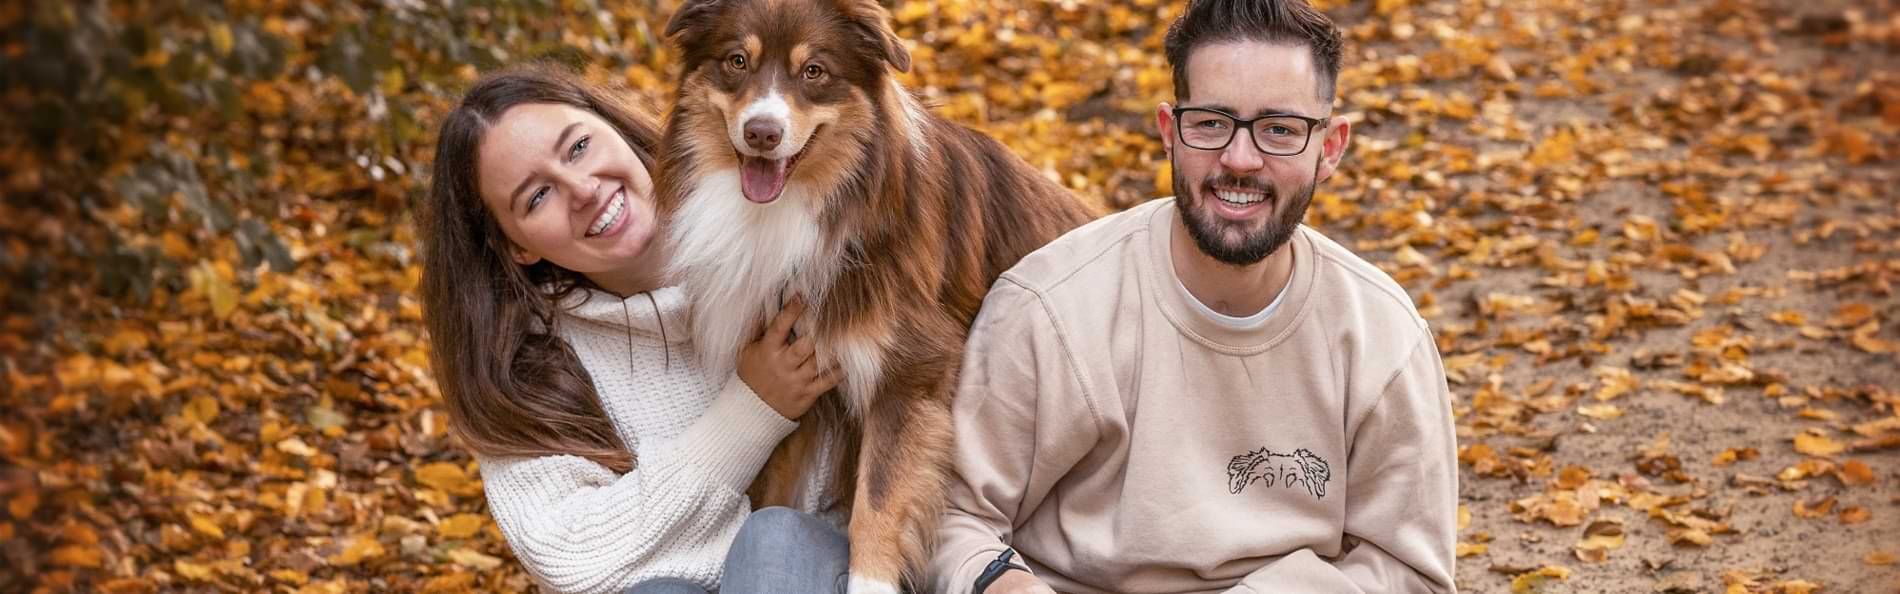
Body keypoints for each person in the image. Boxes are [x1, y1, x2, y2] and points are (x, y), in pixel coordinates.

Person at [928, 0, 1458, 592]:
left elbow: (1408, 567)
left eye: (1279, 130)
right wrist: (1007, 586)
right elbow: (948, 517)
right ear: (1168, 131)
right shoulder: (1050, 307)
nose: (1240, 159)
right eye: (1210, 123)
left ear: (1329, 147)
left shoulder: (1383, 336)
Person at [418, 64, 847, 594]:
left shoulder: (794, 232)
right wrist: (753, 410)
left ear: (614, 127)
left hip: (851, 568)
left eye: (578, 148)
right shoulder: (526, 372)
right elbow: (571, 558)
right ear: (517, 246)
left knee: (774, 542)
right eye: (537, 197)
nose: (582, 189)